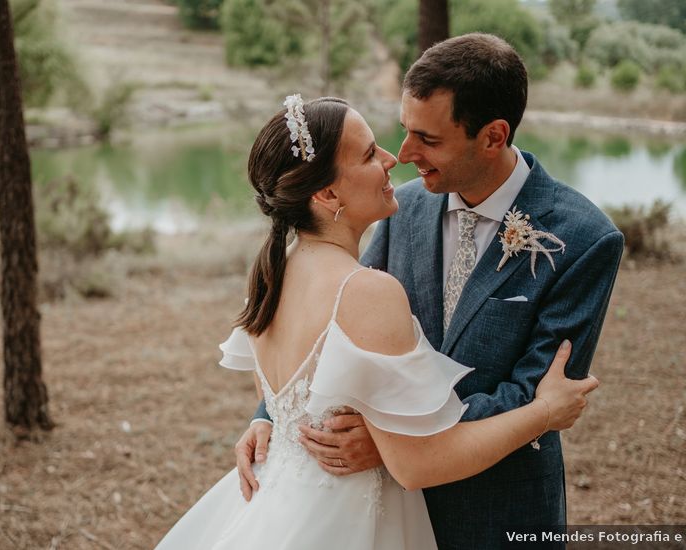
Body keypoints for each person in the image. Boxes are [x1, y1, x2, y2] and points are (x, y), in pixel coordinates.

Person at [154, 93, 599, 550]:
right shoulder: (367, 290)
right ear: (327, 194)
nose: (392, 158)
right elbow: (415, 465)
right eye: (369, 154)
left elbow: (287, 397)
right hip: (346, 522)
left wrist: (269, 422)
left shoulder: (272, 271)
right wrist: (546, 412)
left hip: (279, 504)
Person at [236, 34, 624, 549]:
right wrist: (274, 417)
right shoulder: (404, 207)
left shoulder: (582, 237)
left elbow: (538, 388)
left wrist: (394, 439)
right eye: (404, 131)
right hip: (378, 511)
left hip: (494, 509)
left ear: (492, 135)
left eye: (429, 139)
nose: (404, 154)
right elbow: (336, 328)